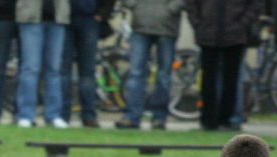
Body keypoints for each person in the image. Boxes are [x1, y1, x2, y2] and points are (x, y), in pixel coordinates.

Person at [186, 0, 265, 131]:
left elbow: (256, 5)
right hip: (208, 33)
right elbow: (191, 4)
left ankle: (227, 120)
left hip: (235, 35)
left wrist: (242, 24)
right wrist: (198, 23)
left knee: (231, 80)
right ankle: (208, 120)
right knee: (208, 80)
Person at [114, 0, 183, 130]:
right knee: (136, 73)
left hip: (167, 26)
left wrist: (172, 9)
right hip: (141, 25)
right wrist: (135, 5)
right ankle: (132, 116)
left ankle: (159, 117)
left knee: (163, 75)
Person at [60, 0, 115, 128]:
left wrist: (102, 14)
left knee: (87, 72)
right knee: (64, 71)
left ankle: (89, 115)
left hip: (89, 19)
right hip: (65, 19)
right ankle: (63, 115)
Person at [15, 0, 70, 128]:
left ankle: (53, 115)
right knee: (30, 68)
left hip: (58, 18)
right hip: (30, 17)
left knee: (54, 70)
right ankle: (26, 115)